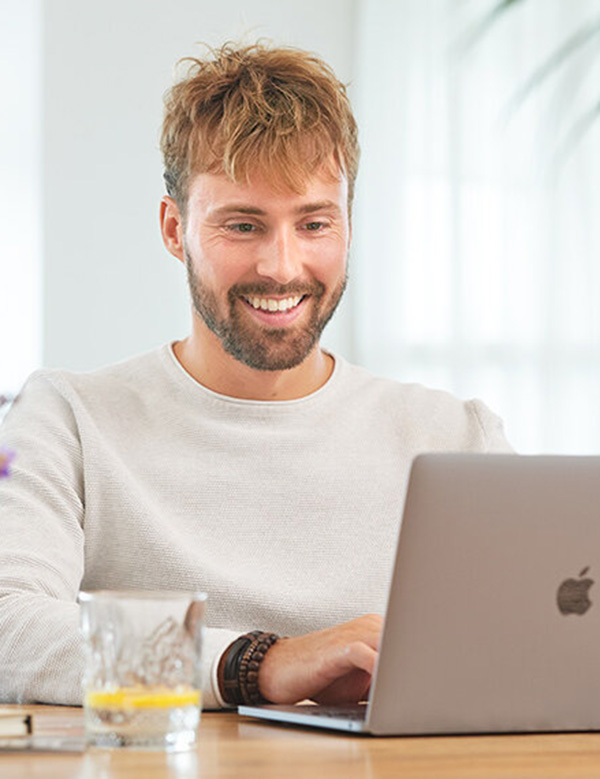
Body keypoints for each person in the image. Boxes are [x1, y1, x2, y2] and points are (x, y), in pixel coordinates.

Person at [0, 42, 512, 709]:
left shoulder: (456, 435)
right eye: (243, 225)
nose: (282, 265)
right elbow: (11, 628)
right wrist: (255, 665)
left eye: (315, 222)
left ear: (349, 224)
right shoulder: (67, 418)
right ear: (173, 228)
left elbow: (534, 646)